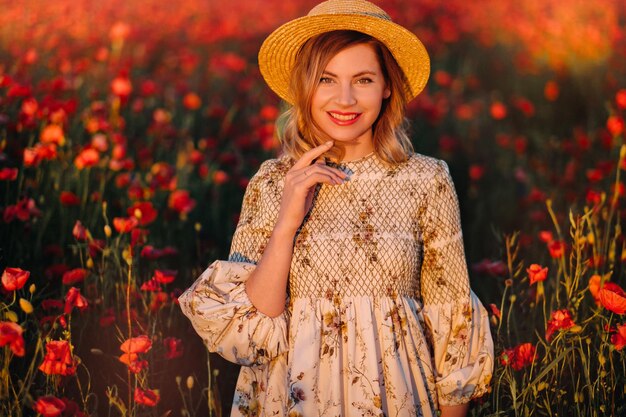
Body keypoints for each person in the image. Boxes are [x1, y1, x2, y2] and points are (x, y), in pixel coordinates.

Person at [179, 1, 494, 416]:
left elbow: (451, 323)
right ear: (306, 86)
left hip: (396, 397)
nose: (344, 99)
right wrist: (288, 220)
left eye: (363, 79)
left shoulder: (426, 179)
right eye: (327, 79)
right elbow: (256, 323)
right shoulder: (273, 182)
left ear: (386, 86)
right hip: (294, 398)